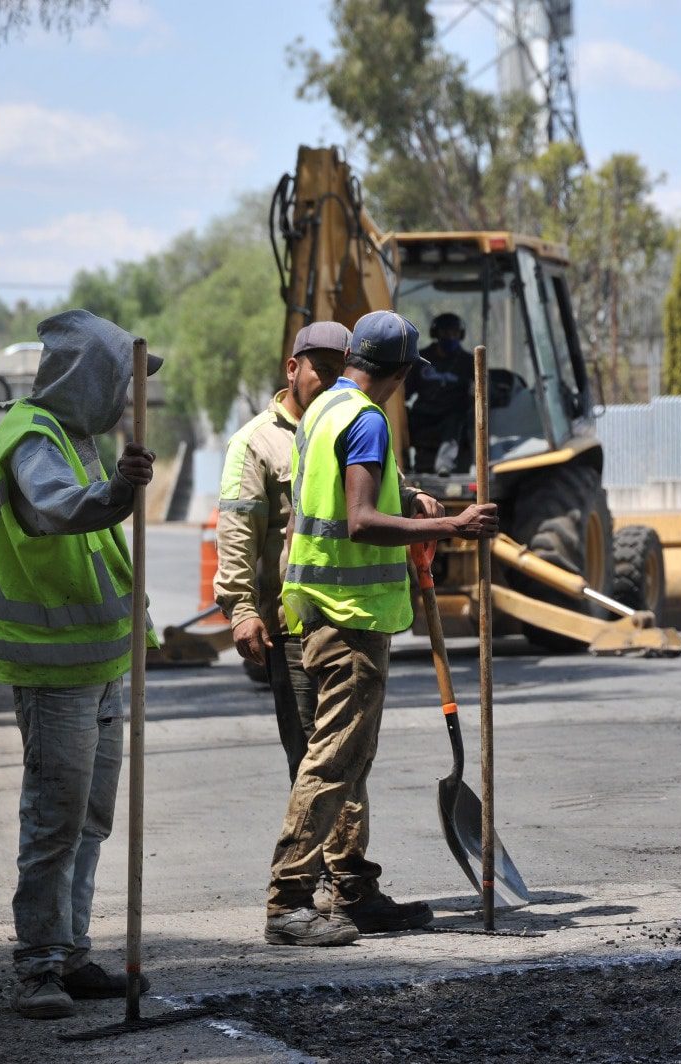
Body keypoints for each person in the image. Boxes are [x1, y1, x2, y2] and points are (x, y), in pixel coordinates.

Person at [265, 309, 499, 947]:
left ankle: (353, 891)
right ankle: (288, 899)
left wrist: (412, 500)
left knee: (348, 759)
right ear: (398, 372)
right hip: (350, 620)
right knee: (336, 759)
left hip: (315, 609)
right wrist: (451, 527)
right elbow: (362, 520)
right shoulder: (366, 420)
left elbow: (340, 504)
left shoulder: (321, 411)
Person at [0, 309, 160, 1019]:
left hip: (100, 663)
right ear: (89, 381)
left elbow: (98, 548)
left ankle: (71, 952)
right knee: (56, 818)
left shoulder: (78, 438)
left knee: (90, 819)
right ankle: (39, 965)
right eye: (121, 384)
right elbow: (60, 511)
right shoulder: (32, 439)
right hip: (54, 668)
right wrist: (116, 494)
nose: (125, 401)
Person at [215, 322, 346, 784]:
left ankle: (342, 856)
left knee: (348, 757)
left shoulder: (353, 425)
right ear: (293, 369)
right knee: (313, 758)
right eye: (323, 370)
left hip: (351, 621)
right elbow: (237, 531)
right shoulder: (255, 442)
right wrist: (243, 610)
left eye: (342, 372)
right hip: (293, 628)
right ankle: (310, 857)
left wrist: (414, 499)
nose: (332, 382)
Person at [404, 311, 474, 475]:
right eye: (445, 332)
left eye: (455, 333)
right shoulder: (421, 359)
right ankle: (403, 463)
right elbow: (405, 391)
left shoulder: (468, 361)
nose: (450, 337)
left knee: (456, 420)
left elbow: (477, 392)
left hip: (452, 416)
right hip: (424, 413)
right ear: (436, 334)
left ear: (461, 334)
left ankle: (445, 465)